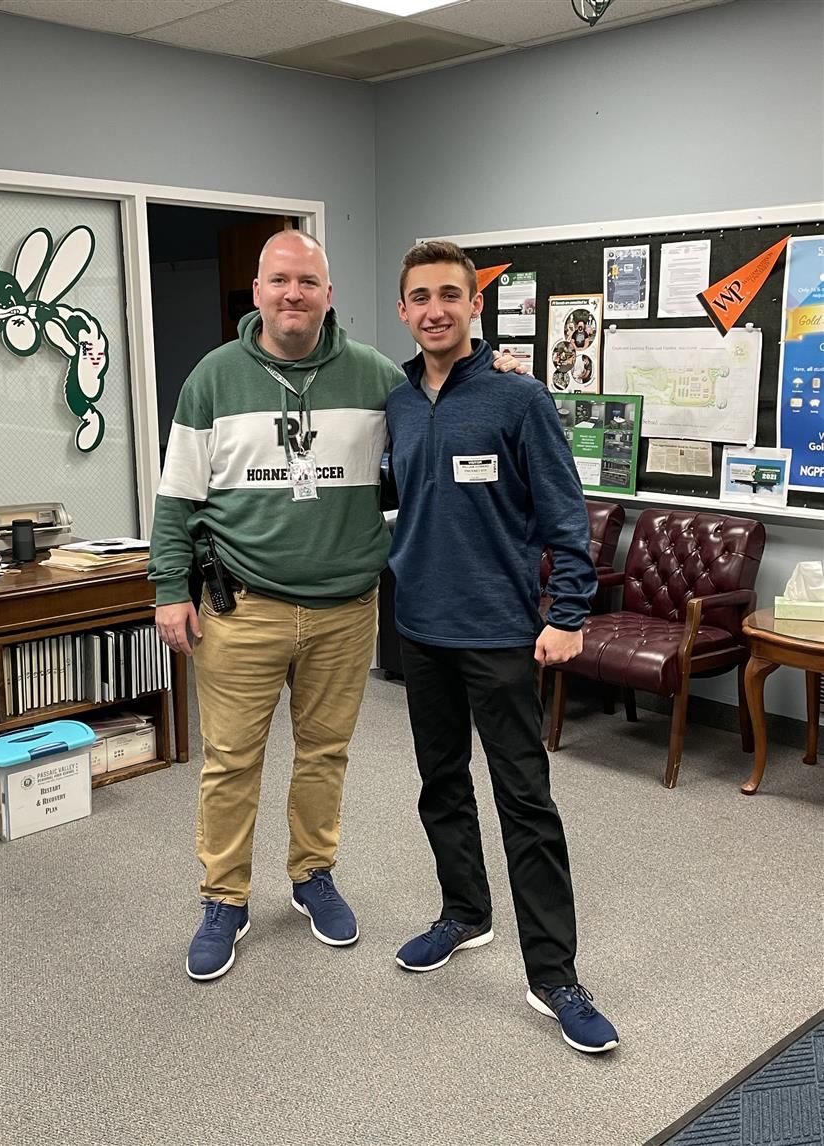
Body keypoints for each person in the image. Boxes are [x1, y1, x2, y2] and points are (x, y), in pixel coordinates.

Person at [149, 230, 520, 982]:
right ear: (256, 292)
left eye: (308, 282)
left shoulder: (377, 377)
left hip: (345, 611)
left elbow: (448, 391)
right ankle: (225, 898)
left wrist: (501, 366)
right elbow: (177, 496)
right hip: (241, 607)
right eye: (280, 281)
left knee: (324, 755)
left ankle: (312, 876)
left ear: (329, 294)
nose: (294, 294)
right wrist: (167, 589)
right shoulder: (213, 379)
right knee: (230, 762)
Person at [386, 240, 619, 1055]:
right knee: (440, 782)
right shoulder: (399, 401)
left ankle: (553, 974)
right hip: (419, 627)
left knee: (525, 800)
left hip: (499, 634)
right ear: (404, 309)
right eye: (420, 297)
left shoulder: (520, 399)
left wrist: (569, 612)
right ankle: (464, 912)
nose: (436, 310)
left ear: (473, 304)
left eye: (450, 294)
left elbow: (566, 514)